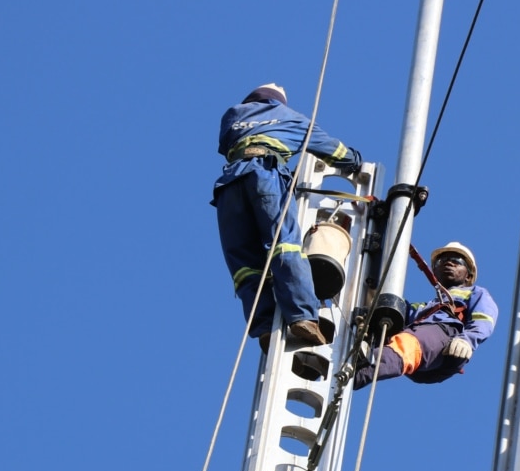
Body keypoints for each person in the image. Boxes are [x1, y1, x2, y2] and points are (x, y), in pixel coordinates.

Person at [212, 83, 362, 352]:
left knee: (245, 263)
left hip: (229, 185)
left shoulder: (232, 115)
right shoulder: (289, 116)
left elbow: (225, 146)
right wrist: (353, 160)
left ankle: (265, 326)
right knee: (285, 244)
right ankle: (302, 316)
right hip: (265, 175)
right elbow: (333, 150)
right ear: (277, 102)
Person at [353, 242, 497, 390]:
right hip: (419, 354)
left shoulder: (476, 293)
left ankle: (363, 363)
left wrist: (467, 340)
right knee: (386, 326)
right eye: (442, 261)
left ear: (468, 275)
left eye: (457, 261)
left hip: (447, 341)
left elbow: (484, 320)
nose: (449, 263)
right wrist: (372, 287)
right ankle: (352, 373)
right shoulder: (424, 308)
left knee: (407, 342)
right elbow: (396, 310)